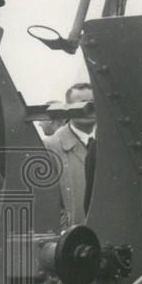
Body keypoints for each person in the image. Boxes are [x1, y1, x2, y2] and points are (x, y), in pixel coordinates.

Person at [44, 82, 96, 229]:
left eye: (92, 104)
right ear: (68, 109)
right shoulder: (51, 147)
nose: (88, 109)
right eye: (81, 104)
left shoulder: (110, 142)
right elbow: (48, 202)